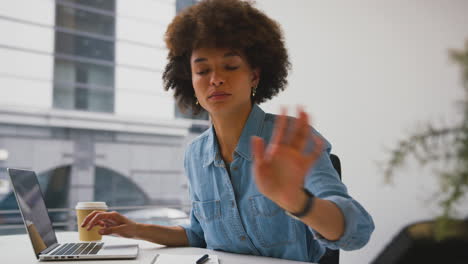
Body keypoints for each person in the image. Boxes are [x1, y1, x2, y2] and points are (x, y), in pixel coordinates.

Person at [81, 0, 375, 262]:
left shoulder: (291, 138)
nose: (216, 79)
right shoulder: (196, 155)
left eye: (231, 66)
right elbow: (198, 234)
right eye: (203, 70)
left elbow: (358, 230)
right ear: (190, 82)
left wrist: (297, 201)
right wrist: (134, 229)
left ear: (254, 76)